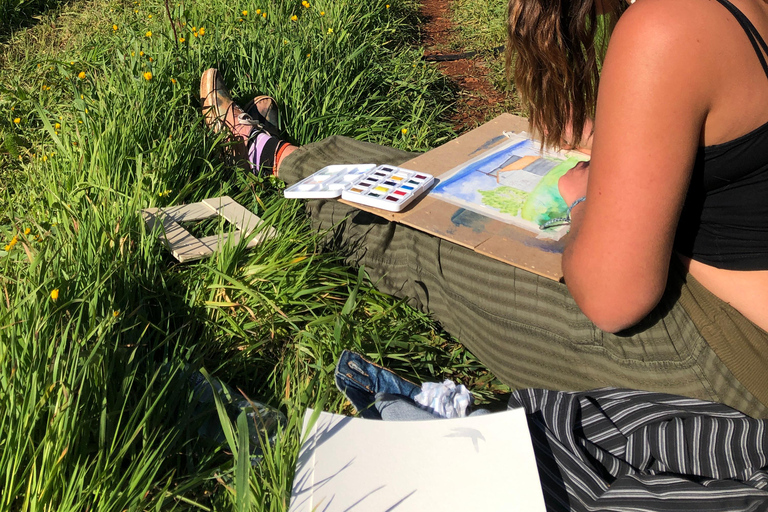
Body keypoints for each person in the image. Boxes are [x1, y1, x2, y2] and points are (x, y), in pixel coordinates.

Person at [199, 0, 768, 418]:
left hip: (735, 373)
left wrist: (586, 195)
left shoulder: (671, 27)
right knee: (430, 181)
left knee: (417, 224)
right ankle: (293, 157)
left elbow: (613, 298)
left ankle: (270, 154)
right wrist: (637, 137)